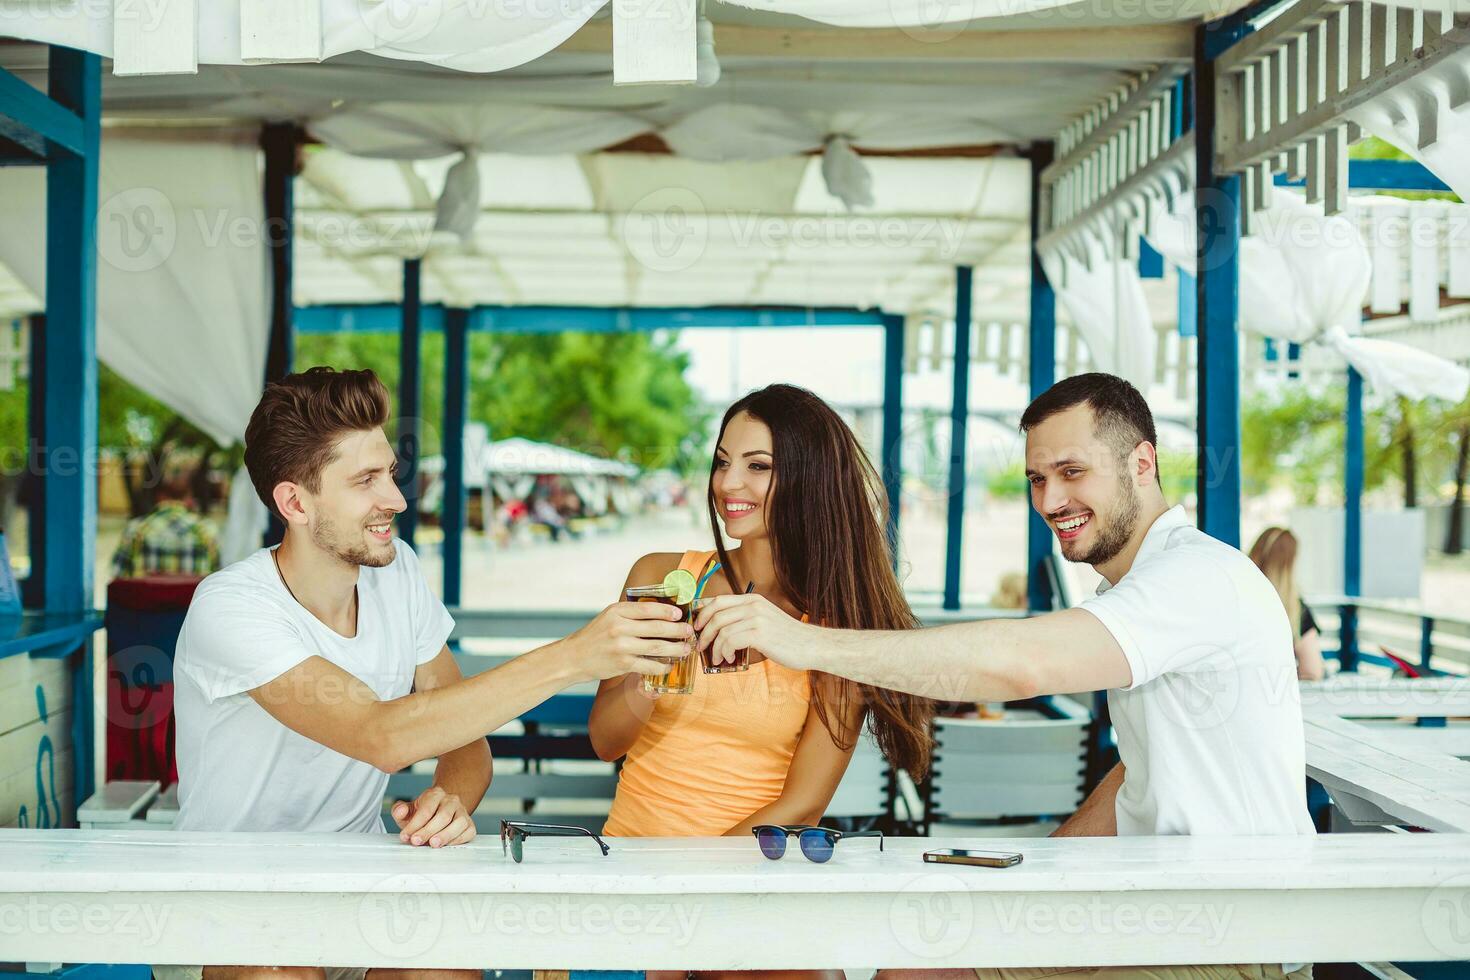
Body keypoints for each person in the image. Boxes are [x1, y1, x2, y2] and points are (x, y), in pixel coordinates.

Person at [696, 373, 1313, 980]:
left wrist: (801, 641)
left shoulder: (1199, 577)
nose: (1049, 502)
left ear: (1142, 463)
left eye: (1072, 472)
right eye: (1038, 480)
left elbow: (1022, 665)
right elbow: (1143, 771)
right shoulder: (1139, 588)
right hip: (1147, 909)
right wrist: (1039, 876)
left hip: (1227, 933)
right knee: (917, 963)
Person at [166, 367, 686, 980]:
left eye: (389, 472)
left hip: (353, 893)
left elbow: (466, 747)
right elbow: (380, 735)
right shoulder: (231, 606)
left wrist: (449, 800)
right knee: (281, 975)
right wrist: (574, 656)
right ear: (294, 503)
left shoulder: (396, 570)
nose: (398, 498)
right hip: (225, 908)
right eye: (366, 481)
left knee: (446, 964)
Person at [592, 385, 934, 980]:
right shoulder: (662, 576)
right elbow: (604, 740)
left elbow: (804, 802)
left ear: (810, 480)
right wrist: (658, 669)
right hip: (630, 866)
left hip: (749, 874)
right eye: (723, 461)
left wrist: (695, 894)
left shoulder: (833, 628)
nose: (729, 484)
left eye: (758, 466)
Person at [111, 468, 220, 578]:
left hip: (146, 595)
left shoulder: (136, 529)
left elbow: (118, 576)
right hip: (192, 595)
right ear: (189, 499)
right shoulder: (206, 530)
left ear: (159, 497)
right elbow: (218, 576)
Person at [1248, 526, 1325, 681]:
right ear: (1290, 563)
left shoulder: (1239, 599)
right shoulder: (1295, 609)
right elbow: (1312, 671)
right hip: (1275, 695)